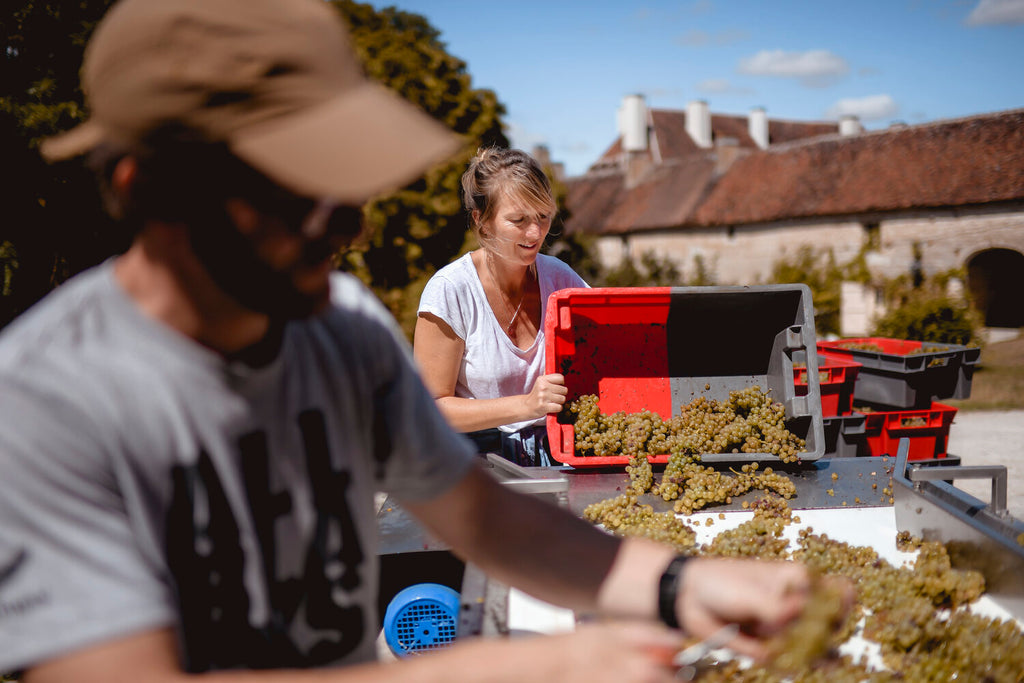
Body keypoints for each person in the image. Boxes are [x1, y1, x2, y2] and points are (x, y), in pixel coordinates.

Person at [0, 1, 825, 681]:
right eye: (296, 193)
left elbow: (487, 518)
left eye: (345, 187)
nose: (348, 228)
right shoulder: (48, 402)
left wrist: (678, 581)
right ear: (147, 189)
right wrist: (536, 667)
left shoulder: (341, 331)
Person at [415, 148, 585, 466]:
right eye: (518, 220)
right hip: (478, 463)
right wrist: (527, 406)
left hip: (562, 454)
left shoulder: (562, 279)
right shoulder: (450, 290)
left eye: (543, 217)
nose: (535, 233)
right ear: (482, 220)